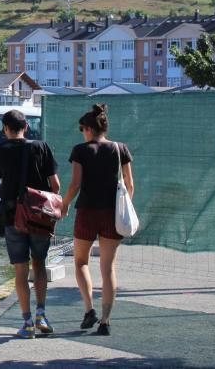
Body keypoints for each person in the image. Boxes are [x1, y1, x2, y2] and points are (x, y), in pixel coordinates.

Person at [61, 104, 134, 336]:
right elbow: (129, 184)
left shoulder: (80, 151)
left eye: (82, 128)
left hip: (87, 212)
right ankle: (105, 321)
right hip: (111, 214)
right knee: (108, 267)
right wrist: (124, 207)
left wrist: (64, 205)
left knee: (81, 262)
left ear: (89, 129)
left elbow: (75, 183)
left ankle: (89, 309)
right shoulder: (120, 148)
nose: (82, 132)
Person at [0, 109, 60, 339]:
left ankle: (27, 322)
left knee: (20, 269)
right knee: (39, 264)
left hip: (13, 217)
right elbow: (56, 185)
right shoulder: (42, 147)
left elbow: (3, 179)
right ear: (27, 127)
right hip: (40, 217)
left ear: (5, 129)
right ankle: (42, 313)